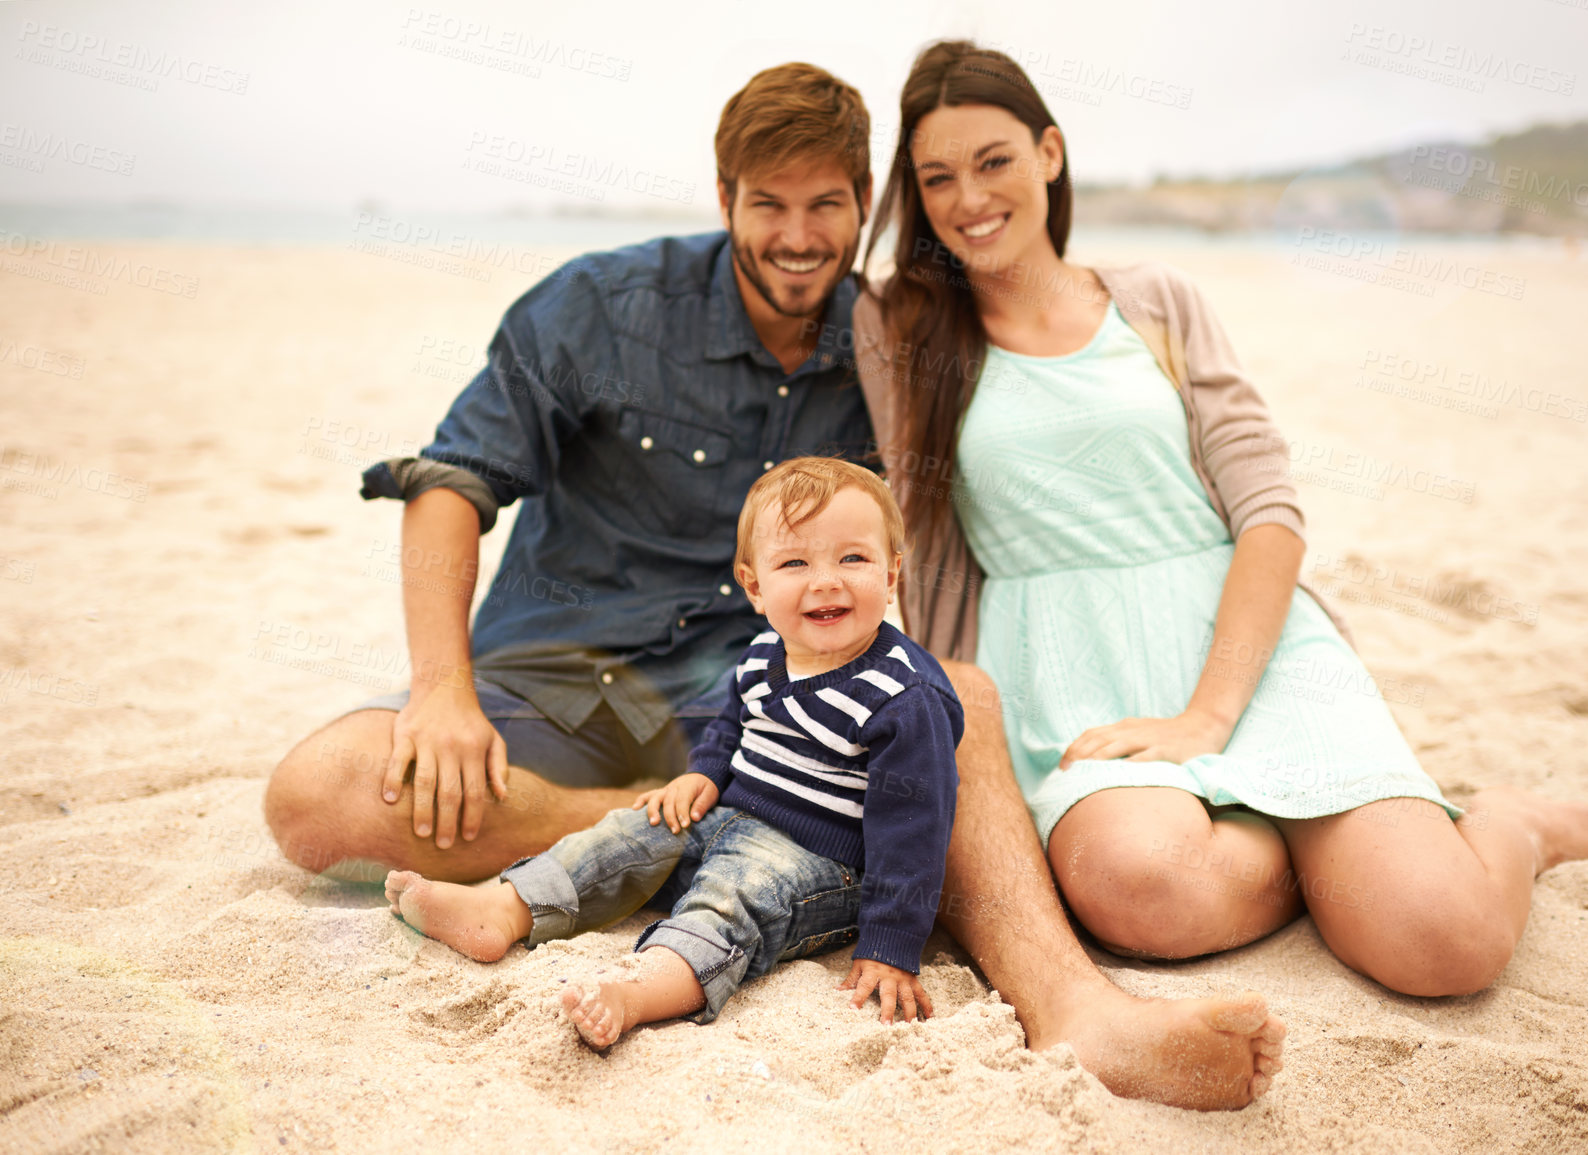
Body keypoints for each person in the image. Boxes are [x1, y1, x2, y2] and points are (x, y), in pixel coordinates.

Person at [266, 59, 1288, 1111]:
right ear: (724, 198)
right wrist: (440, 686)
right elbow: (452, 483)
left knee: (959, 699)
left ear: (863, 209)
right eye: (769, 206)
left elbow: (1033, 450)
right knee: (319, 795)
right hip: (560, 681)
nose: (798, 237)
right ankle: (731, 831)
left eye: (827, 208)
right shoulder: (599, 306)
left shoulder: (892, 342)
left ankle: (1080, 1009)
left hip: (777, 697)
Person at [853, 40, 1588, 1004]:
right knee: (1140, 885)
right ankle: (1322, 853)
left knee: (1444, 942)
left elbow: (1267, 510)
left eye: (993, 160)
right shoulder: (898, 328)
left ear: (1050, 153)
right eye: (935, 176)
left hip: (1242, 641)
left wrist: (1208, 716)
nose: (967, 198)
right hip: (1065, 670)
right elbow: (778, 268)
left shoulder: (1155, 301)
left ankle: (1509, 825)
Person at [383, 458, 962, 1044]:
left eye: (852, 558)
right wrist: (705, 774)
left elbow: (915, 831)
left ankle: (640, 989)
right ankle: (504, 909)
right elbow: (733, 723)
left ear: (892, 574)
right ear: (755, 585)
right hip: (723, 820)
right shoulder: (765, 651)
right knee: (627, 832)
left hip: (816, 863)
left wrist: (891, 944)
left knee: (733, 897)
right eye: (794, 563)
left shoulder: (903, 697)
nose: (826, 580)